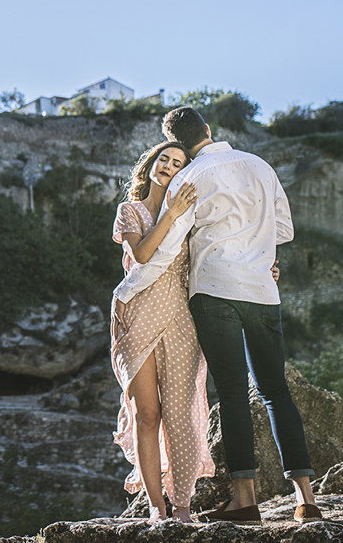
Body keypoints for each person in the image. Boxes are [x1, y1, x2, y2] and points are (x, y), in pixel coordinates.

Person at [114, 106, 322, 525]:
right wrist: (257, 252)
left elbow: (167, 249)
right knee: (275, 390)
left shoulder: (190, 178)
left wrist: (129, 287)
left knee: (230, 392)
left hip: (212, 292)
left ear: (182, 148)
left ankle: (245, 500)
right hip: (261, 289)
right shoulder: (259, 164)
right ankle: (307, 498)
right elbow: (283, 229)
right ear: (208, 130)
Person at [111, 140, 214, 523]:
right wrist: (169, 214)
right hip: (137, 315)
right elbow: (141, 255)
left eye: (177, 163)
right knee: (147, 415)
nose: (169, 166)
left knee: (180, 415)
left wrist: (266, 268)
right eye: (164, 159)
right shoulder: (131, 211)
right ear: (151, 164)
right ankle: (157, 507)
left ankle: (183, 506)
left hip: (181, 321)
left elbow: (216, 252)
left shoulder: (190, 216)